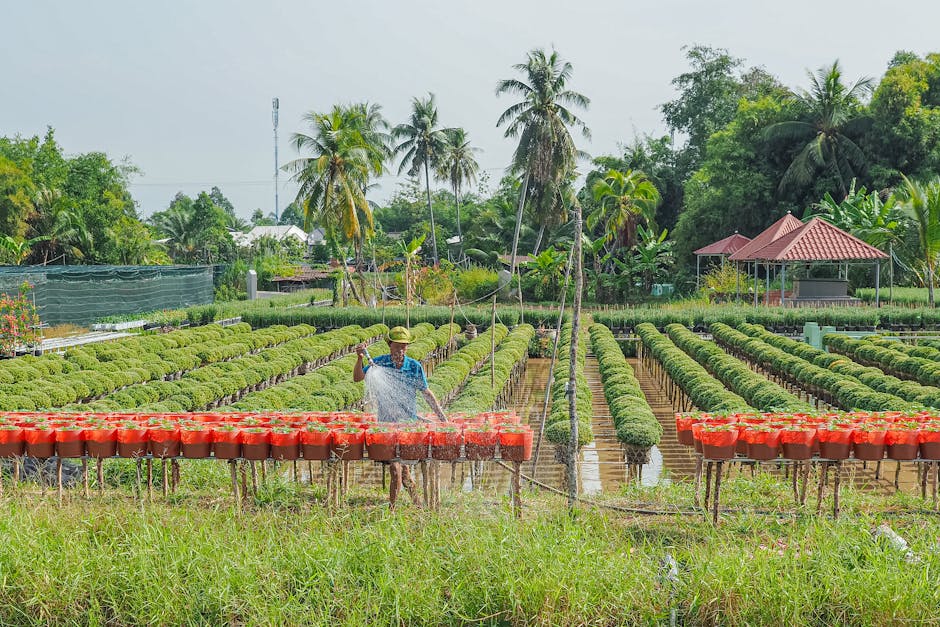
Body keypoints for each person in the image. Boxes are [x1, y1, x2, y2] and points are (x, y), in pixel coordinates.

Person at [354, 326, 447, 509]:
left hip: (408, 427)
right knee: (396, 469)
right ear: (389, 345)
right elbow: (358, 377)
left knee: (403, 471)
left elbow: (426, 392)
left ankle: (416, 505)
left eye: (404, 347)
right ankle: (393, 510)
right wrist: (359, 358)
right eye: (397, 346)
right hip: (387, 427)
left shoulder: (414, 367)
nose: (400, 351)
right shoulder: (379, 364)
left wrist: (442, 417)